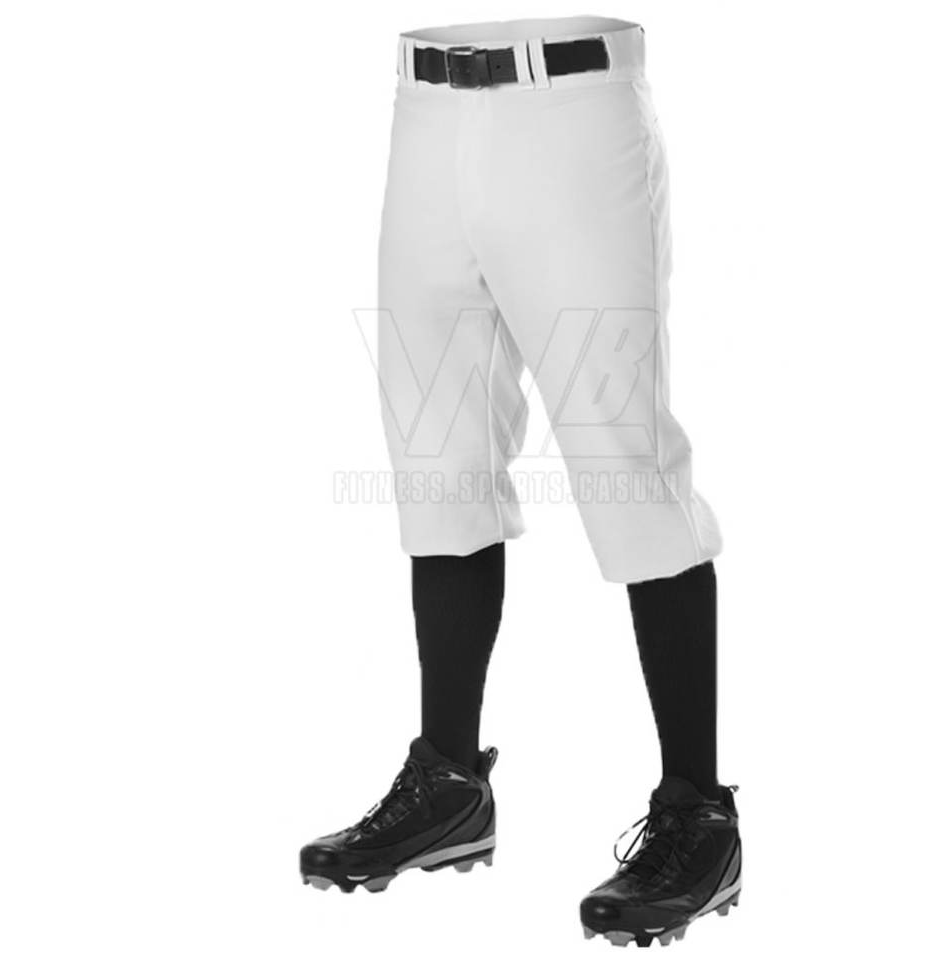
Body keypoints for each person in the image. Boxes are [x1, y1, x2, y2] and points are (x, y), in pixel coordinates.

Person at [301, 17, 741, 947]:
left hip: (572, 110)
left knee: (625, 462)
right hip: (425, 112)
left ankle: (700, 818)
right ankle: (449, 783)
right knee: (435, 460)